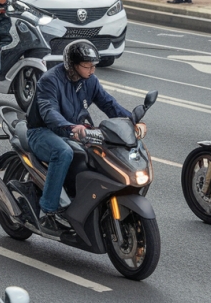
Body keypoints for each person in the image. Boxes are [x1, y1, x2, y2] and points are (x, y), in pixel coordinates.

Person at [26, 40, 135, 237]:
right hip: (43, 131)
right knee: (63, 152)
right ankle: (48, 211)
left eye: (94, 66)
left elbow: (109, 104)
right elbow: (48, 111)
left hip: (76, 131)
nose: (92, 70)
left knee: (100, 153)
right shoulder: (50, 80)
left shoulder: (89, 80)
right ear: (72, 64)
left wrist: (132, 122)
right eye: (87, 66)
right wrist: (69, 126)